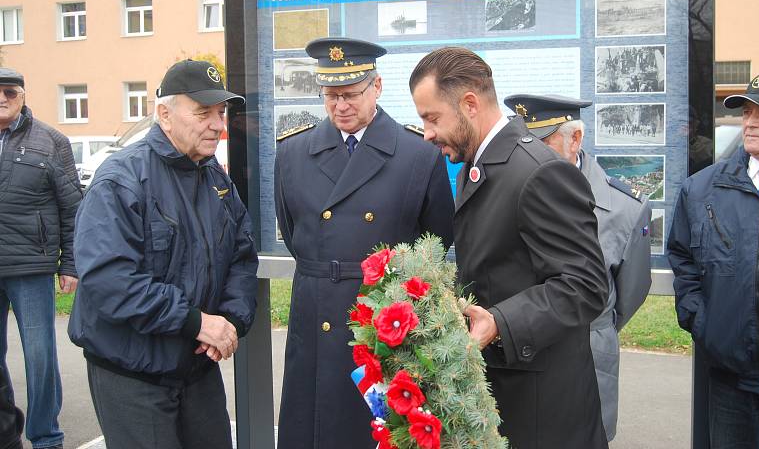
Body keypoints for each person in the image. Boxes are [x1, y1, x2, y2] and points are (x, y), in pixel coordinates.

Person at [409, 47, 608, 448]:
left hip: (542, 411)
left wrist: (500, 321)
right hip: (505, 395)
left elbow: (585, 285)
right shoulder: (476, 164)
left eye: (432, 118)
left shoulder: (539, 171)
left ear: (469, 104)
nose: (428, 133)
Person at [274, 37, 455, 449]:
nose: (341, 106)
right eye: (331, 95)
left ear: (376, 86)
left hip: (382, 321)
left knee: (376, 433)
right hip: (316, 313)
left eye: (351, 94)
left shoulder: (417, 154)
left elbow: (436, 240)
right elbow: (297, 233)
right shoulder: (293, 152)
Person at [68, 60, 258, 449]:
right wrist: (194, 321)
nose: (217, 125)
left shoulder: (215, 179)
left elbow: (241, 255)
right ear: (165, 115)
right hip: (134, 374)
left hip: (196, 368)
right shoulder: (121, 179)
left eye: (221, 113)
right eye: (203, 113)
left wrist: (230, 319)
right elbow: (110, 281)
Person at [505, 93, 652, 441]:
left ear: (575, 139)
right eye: (523, 141)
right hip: (522, 346)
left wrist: (593, 325)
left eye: (541, 142)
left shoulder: (623, 207)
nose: (529, 152)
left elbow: (629, 293)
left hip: (587, 349)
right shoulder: (509, 189)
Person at [669, 70, 759, 448]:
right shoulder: (702, 189)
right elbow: (683, 260)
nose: (751, 122)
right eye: (746, 112)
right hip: (730, 378)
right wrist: (701, 321)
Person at [0, 67, 81, 449]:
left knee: (40, 355)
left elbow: (72, 207)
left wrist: (70, 264)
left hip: (31, 265)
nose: (2, 97)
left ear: (23, 96)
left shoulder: (51, 141)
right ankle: (5, 432)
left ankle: (46, 436)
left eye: (10, 92)